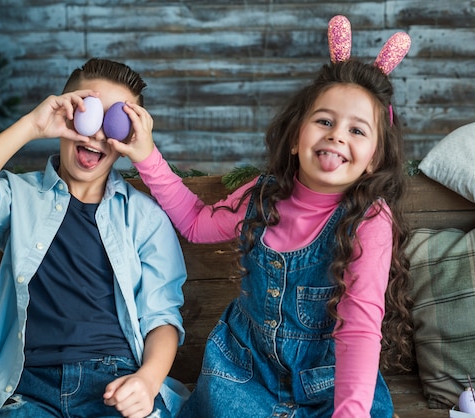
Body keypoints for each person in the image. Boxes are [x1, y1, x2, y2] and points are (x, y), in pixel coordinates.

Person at [112, 16, 414, 417]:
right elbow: (194, 223)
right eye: (324, 120)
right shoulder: (262, 196)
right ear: (294, 138)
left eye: (357, 130)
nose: (337, 135)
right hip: (242, 376)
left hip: (331, 383)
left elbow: (359, 330)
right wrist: (146, 154)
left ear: (374, 159)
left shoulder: (369, 220)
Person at [0, 58, 189, 418]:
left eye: (113, 122)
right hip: (29, 389)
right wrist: (31, 125)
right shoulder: (19, 197)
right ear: (65, 112)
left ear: (128, 137)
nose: (97, 134)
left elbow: (162, 317)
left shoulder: (145, 218)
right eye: (88, 113)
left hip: (115, 380)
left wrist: (147, 381)